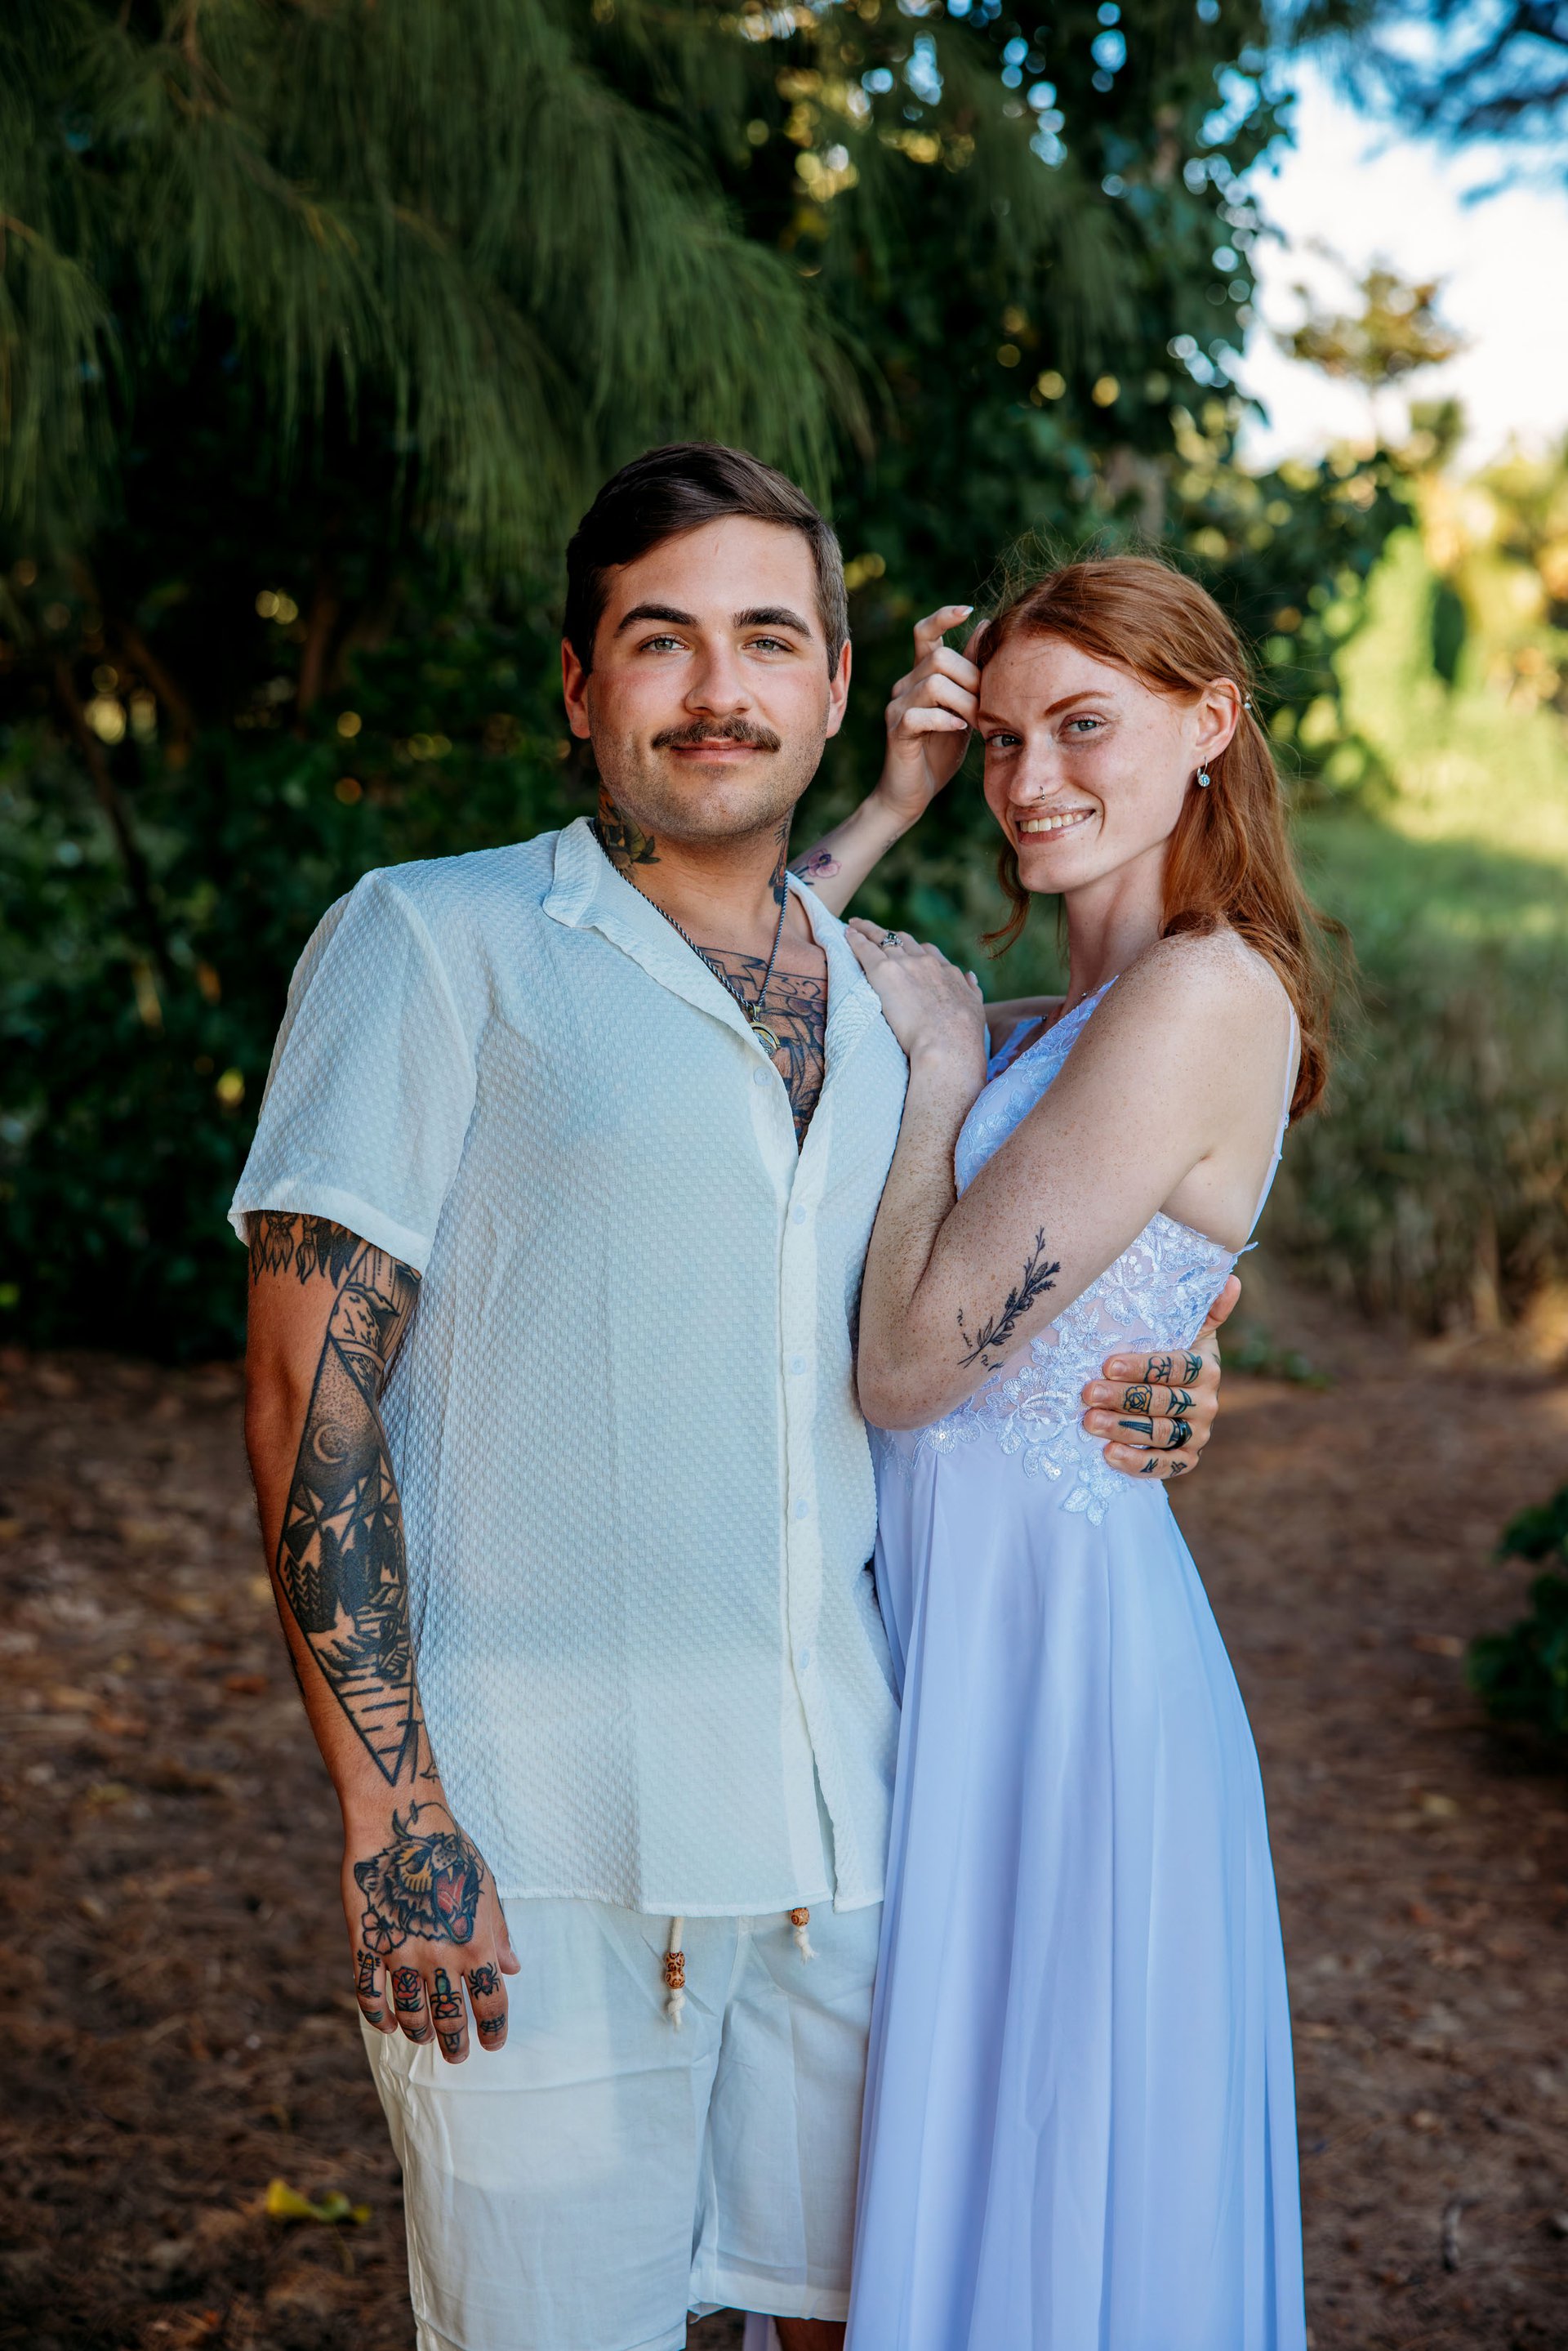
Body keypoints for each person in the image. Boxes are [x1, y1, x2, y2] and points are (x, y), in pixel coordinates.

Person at [235, 445, 1233, 2351]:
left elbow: (1047, 1224)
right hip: (541, 1834)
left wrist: (1178, 1348)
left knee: (886, 2317)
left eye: (769, 638)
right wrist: (395, 1813)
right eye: (660, 639)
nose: (718, 687)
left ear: (839, 686)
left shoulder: (887, 1003)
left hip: (851, 1832)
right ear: (579, 683)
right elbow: (306, 1393)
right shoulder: (432, 938)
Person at [837, 556, 1316, 2350]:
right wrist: (892, 796)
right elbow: (707, 1002)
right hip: (933, 1635)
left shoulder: (1204, 996)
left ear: (1209, 725)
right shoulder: (1044, 1020)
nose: (1030, 779)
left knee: (1041, 2173)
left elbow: (908, 1364)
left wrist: (937, 1080)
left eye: (1085, 726)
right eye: (1001, 740)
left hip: (1062, 1669)